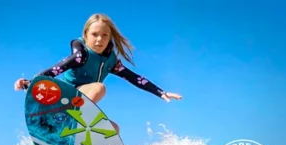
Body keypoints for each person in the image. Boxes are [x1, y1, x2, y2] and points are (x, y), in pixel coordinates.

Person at [14, 13, 182, 133]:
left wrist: (161, 92)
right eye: (94, 34)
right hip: (62, 98)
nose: (99, 39)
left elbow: (135, 78)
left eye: (105, 35)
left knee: (113, 129)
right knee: (99, 88)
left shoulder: (111, 61)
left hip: (78, 104)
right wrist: (30, 83)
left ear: (110, 38)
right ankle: (67, 122)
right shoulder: (81, 55)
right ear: (85, 34)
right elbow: (56, 69)